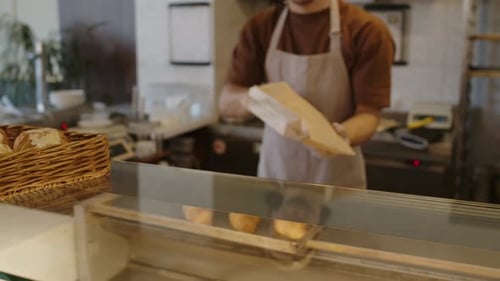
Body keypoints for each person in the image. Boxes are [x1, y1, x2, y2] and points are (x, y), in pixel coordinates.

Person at [219, 0, 394, 189]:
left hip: (337, 183)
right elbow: (226, 101)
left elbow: (368, 115)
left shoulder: (365, 29)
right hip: (277, 181)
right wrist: (258, 100)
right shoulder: (260, 27)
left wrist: (340, 137)